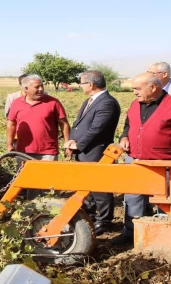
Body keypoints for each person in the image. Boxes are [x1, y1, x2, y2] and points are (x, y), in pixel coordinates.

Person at [111, 73, 171, 246]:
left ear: (153, 87)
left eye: (137, 88)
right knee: (133, 198)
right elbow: (128, 125)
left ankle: (165, 236)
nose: (134, 92)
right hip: (135, 160)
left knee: (164, 201)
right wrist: (124, 137)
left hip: (165, 163)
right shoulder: (135, 104)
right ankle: (130, 231)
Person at [64, 71, 121, 235]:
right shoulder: (89, 101)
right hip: (84, 151)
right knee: (85, 186)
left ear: (91, 85)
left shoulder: (107, 103)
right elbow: (78, 125)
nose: (80, 86)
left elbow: (96, 129)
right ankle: (89, 215)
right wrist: (71, 142)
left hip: (96, 152)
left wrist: (78, 145)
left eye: (82, 83)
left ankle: (104, 221)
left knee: (100, 188)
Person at [6, 74, 70, 199]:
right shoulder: (16, 103)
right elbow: (11, 124)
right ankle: (34, 212)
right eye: (37, 87)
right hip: (24, 151)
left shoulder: (53, 102)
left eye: (42, 86)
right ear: (25, 89)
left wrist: (67, 143)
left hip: (48, 151)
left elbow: (64, 123)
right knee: (31, 184)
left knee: (49, 184)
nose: (41, 89)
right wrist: (9, 145)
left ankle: (52, 212)